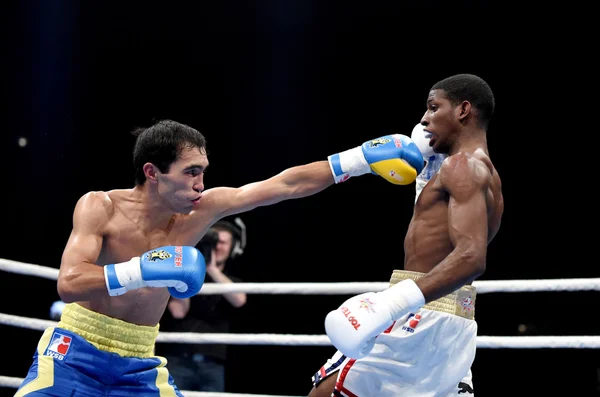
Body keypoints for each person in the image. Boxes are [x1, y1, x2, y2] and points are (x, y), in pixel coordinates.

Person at [15, 119, 424, 396]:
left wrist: (357, 160)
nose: (201, 183)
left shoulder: (202, 210)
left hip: (139, 359)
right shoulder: (99, 206)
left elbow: (284, 185)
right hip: (75, 351)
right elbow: (69, 283)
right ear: (153, 172)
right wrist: (139, 270)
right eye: (191, 172)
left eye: (204, 171)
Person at [309, 73, 504, 396]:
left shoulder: (462, 167)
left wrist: (389, 304)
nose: (424, 119)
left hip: (419, 312)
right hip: (455, 319)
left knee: (325, 392)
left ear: (463, 110)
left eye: (433, 107)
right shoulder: (483, 173)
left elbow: (471, 257)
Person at [157, 217, 248, 392]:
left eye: (221, 242)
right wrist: (189, 274)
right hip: (178, 358)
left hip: (213, 362)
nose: (216, 247)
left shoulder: (232, 282)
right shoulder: (188, 275)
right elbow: (178, 312)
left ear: (233, 248)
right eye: (212, 242)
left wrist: (211, 268)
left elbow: (239, 300)